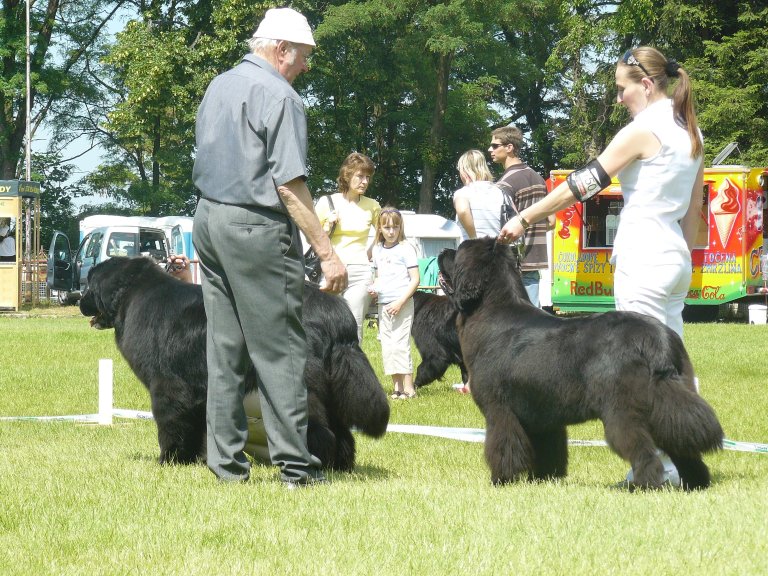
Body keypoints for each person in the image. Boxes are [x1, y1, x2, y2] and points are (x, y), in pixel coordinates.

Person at [498, 46, 704, 487]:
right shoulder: (689, 130)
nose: (618, 98)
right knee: (673, 361)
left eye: (621, 89)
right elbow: (694, 213)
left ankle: (655, 469)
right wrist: (683, 261)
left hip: (644, 253)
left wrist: (525, 217)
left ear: (645, 85)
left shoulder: (642, 130)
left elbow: (582, 183)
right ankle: (686, 460)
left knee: (640, 366)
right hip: (674, 257)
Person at [191, 7, 347, 487]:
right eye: (303, 57)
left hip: (208, 218)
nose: (305, 67)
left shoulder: (219, 84)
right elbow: (289, 186)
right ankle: (296, 469)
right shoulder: (280, 96)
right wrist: (327, 251)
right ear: (281, 49)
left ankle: (227, 468)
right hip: (255, 229)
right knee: (280, 351)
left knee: (224, 351)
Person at [314, 152, 381, 342]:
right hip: (331, 270)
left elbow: (385, 236)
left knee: (354, 326)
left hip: (360, 273)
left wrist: (369, 253)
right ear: (347, 175)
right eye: (360, 176)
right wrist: (328, 227)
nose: (365, 181)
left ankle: (352, 370)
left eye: (368, 177)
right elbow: (312, 238)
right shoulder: (327, 202)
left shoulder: (373, 205)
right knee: (324, 323)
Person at [489, 125, 553, 307]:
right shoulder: (538, 178)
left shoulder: (505, 183)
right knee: (534, 314)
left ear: (509, 148)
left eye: (495, 146)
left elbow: (502, 223)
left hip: (513, 261)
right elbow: (552, 221)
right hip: (535, 258)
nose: (490, 150)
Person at [368, 208, 420, 399]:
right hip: (384, 304)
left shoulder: (406, 248)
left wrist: (400, 302)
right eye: (387, 227)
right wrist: (375, 287)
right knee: (388, 346)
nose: (391, 231)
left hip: (402, 303)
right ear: (380, 229)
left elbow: (415, 279)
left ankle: (409, 388)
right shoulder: (377, 250)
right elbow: (379, 277)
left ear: (400, 228)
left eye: (395, 227)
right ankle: (396, 387)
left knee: (400, 344)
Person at [453, 149, 505, 242]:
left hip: (473, 250)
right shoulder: (499, 192)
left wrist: (474, 239)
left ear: (465, 171)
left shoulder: (463, 193)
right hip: (497, 249)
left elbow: (463, 211)